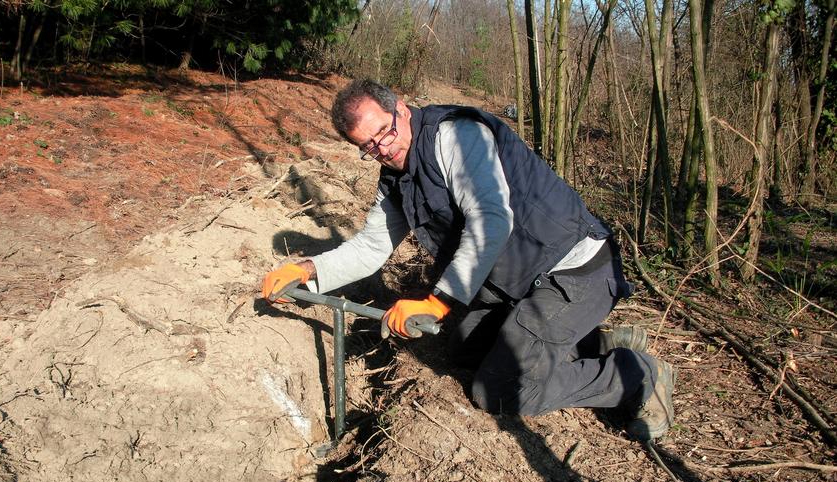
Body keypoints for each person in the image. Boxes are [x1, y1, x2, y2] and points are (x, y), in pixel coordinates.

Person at [261, 79, 675, 440]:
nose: (383, 149)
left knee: (499, 387)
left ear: (401, 109)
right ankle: (595, 342)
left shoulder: (457, 135)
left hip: (573, 269)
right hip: (520, 282)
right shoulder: (396, 178)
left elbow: (491, 219)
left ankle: (636, 374)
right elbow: (372, 246)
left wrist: (438, 301)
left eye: (385, 132)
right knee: (463, 349)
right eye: (368, 146)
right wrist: (308, 270)